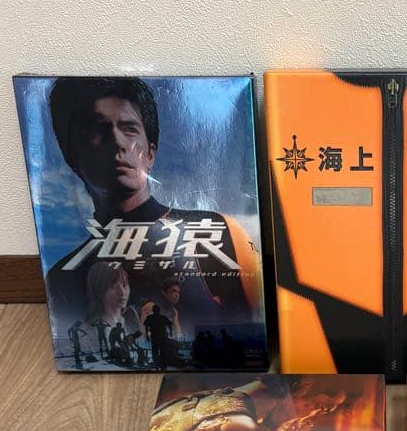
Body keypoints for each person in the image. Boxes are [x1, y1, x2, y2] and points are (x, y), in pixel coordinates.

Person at [44, 76, 261, 334]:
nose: (118, 142)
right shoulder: (62, 278)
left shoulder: (217, 229)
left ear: (150, 153)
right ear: (73, 156)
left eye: (129, 129)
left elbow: (254, 330)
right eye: (99, 129)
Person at [85, 261, 140, 361]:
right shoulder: (92, 326)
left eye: (124, 285)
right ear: (99, 290)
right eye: (113, 287)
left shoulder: (131, 315)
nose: (122, 293)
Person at [144, 305, 173, 370]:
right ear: (159, 310)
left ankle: (158, 365)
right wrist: (171, 332)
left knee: (156, 352)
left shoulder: (150, 317)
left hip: (155, 337)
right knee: (162, 352)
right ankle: (162, 366)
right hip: (162, 337)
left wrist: (147, 336)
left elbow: (146, 327)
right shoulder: (162, 317)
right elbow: (170, 324)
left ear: (153, 310)